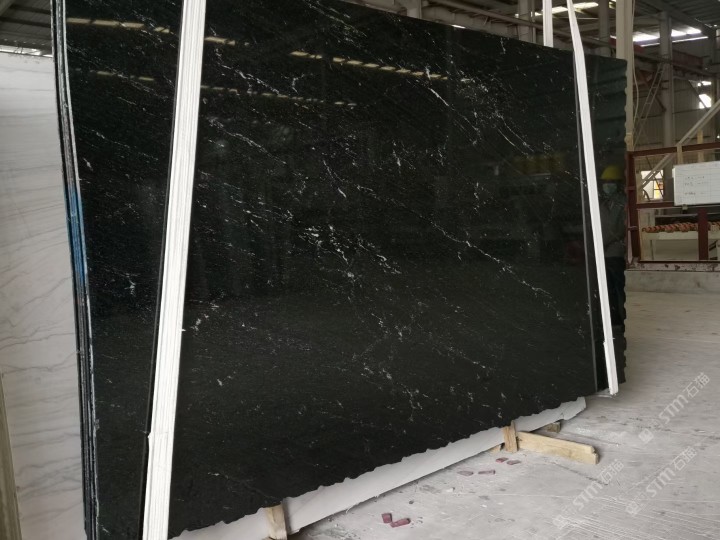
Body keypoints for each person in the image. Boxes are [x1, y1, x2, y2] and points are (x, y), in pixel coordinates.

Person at [599, 165, 627, 329]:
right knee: (608, 289)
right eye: (605, 182)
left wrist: (604, 242)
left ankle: (624, 319)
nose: (607, 185)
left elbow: (621, 229)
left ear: (617, 183)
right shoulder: (604, 203)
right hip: (604, 253)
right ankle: (614, 319)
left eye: (610, 182)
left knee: (619, 288)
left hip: (616, 252)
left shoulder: (623, 203)